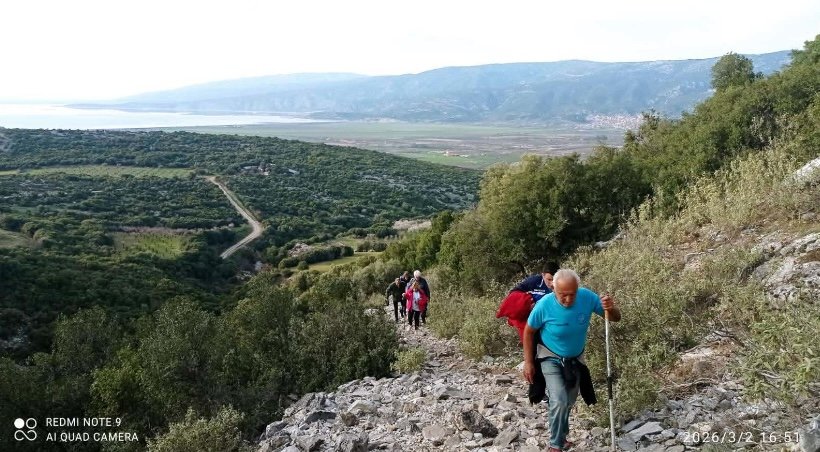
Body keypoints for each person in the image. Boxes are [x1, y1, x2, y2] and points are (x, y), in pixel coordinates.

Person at [522, 269, 621, 452]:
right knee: (559, 399)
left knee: (568, 400)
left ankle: (562, 435)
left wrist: (610, 308)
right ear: (553, 289)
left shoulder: (587, 298)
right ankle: (555, 445)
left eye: (572, 295)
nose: (567, 300)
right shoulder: (544, 305)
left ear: (578, 289)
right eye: (563, 295)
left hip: (575, 358)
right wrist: (528, 362)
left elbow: (615, 318)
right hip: (549, 356)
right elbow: (528, 331)